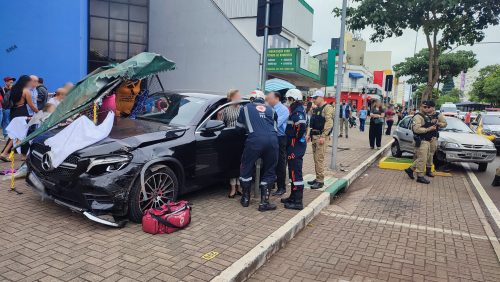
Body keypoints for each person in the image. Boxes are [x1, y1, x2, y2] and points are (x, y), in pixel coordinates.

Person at [236, 90, 278, 212]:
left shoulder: (245, 108)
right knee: (270, 170)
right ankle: (264, 202)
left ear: (251, 99)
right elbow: (275, 127)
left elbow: (239, 128)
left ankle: (245, 199)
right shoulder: (272, 109)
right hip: (272, 140)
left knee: (246, 166)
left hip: (254, 141)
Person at [0, 75, 38, 161]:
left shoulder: (13, 89)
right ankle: (20, 155)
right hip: (22, 113)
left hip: (13, 112)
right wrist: (39, 112)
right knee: (22, 134)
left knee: (16, 134)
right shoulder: (25, 91)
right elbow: (31, 105)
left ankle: (6, 153)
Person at [281, 89, 307, 210]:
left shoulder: (297, 112)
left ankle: (297, 201)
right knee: (292, 173)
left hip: (295, 147)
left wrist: (295, 138)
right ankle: (293, 196)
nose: (287, 101)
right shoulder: (297, 110)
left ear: (293, 99)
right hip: (294, 146)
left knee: (296, 174)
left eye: (288, 99)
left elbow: (301, 126)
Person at [404, 101, 437, 184]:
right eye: (424, 107)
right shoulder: (418, 117)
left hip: (427, 140)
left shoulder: (425, 116)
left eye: (427, 107)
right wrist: (429, 129)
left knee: (423, 158)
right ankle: (420, 176)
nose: (426, 108)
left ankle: (410, 169)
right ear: (420, 107)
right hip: (421, 140)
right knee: (422, 159)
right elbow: (416, 129)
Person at [307, 90, 334, 189]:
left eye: (315, 98)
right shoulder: (316, 108)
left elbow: (329, 123)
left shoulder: (327, 108)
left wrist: (323, 136)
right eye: (313, 98)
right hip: (314, 136)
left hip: (321, 137)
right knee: (316, 159)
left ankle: (320, 180)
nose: (313, 100)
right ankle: (317, 177)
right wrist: (309, 134)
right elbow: (312, 122)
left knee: (319, 159)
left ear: (321, 97)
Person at [219, 89, 242, 198]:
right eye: (237, 96)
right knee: (232, 163)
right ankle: (233, 187)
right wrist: (219, 117)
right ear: (231, 97)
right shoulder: (226, 109)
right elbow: (220, 124)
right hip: (230, 138)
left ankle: (239, 186)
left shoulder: (242, 108)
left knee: (240, 163)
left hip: (240, 137)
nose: (239, 98)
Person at [266, 91, 289, 196]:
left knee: (280, 163)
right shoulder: (269, 108)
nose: (268, 100)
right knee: (271, 162)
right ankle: (271, 185)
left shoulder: (283, 109)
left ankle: (281, 187)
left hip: (280, 138)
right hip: (270, 137)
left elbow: (276, 124)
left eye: (269, 98)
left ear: (276, 98)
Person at [426, 101, 447, 175]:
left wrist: (437, 123)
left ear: (433, 108)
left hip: (433, 137)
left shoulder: (438, 115)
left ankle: (428, 170)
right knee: (421, 154)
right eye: (426, 107)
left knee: (430, 154)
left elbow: (445, 124)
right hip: (423, 136)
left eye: (428, 107)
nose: (427, 109)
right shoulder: (423, 114)